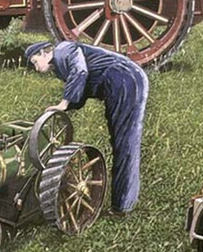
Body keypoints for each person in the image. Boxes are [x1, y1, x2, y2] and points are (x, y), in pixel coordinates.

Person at [25, 40, 149, 216]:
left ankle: (123, 206)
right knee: (120, 141)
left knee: (125, 142)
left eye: (35, 62)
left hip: (126, 80)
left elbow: (80, 71)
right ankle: (122, 202)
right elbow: (82, 85)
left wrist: (64, 103)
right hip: (117, 84)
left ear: (44, 53)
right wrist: (66, 107)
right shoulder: (60, 66)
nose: (36, 68)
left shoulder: (63, 50)